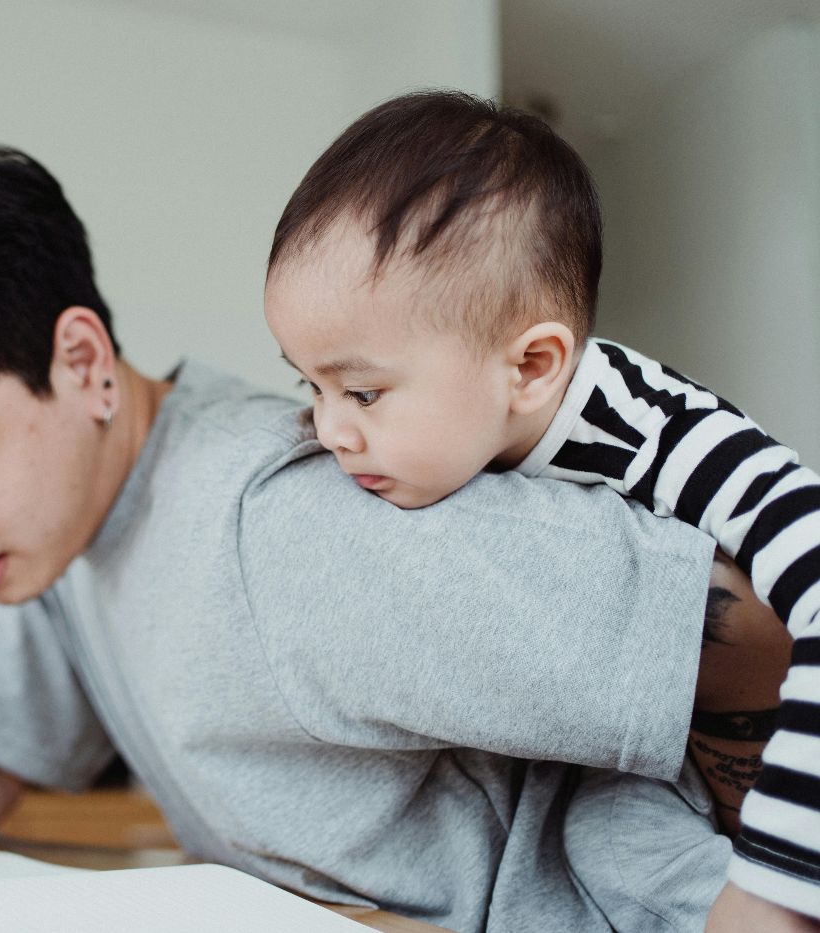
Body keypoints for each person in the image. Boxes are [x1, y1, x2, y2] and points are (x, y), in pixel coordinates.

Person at [0, 139, 793, 932]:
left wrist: (767, 873)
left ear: (84, 365)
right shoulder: (51, 545)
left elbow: (759, 631)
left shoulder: (288, 530)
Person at [263, 90, 820, 926]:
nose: (329, 428)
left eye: (364, 391)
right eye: (310, 384)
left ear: (530, 367)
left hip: (782, 783)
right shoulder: (458, 428)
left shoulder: (675, 439)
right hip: (644, 784)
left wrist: (776, 884)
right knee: (594, 829)